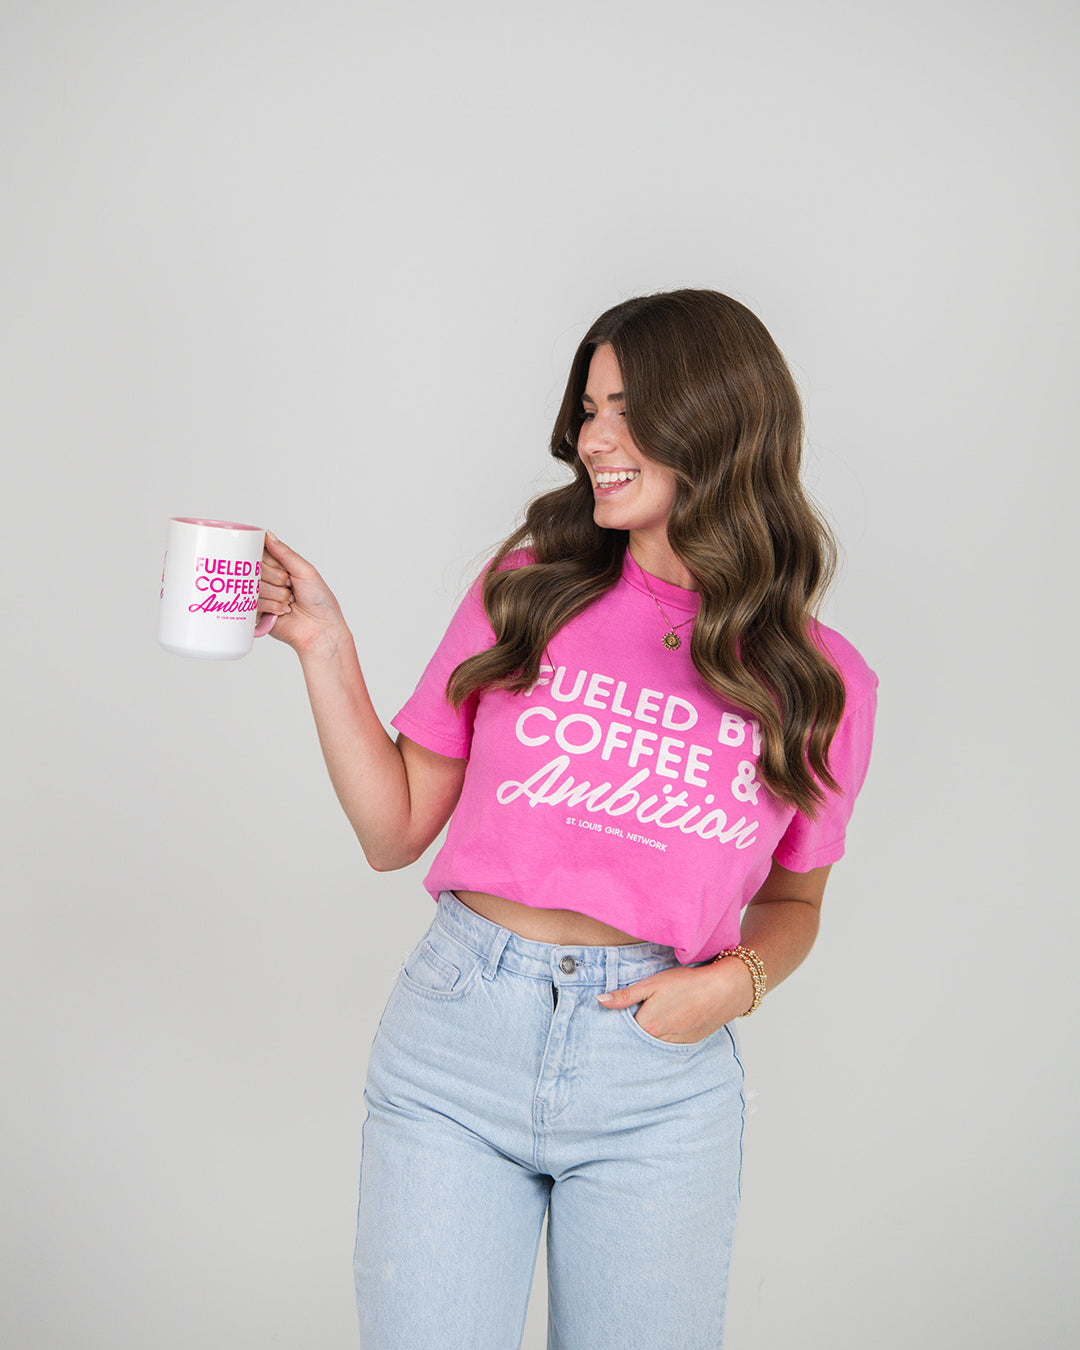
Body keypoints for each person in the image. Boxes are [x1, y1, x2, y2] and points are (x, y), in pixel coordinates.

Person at [256, 289, 878, 1350]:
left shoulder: (819, 682)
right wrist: (325, 650)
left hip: (659, 1078)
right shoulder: (531, 585)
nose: (592, 439)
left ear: (716, 420)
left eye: (624, 409)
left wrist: (733, 987)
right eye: (587, 409)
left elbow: (796, 900)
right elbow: (393, 828)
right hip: (459, 1042)